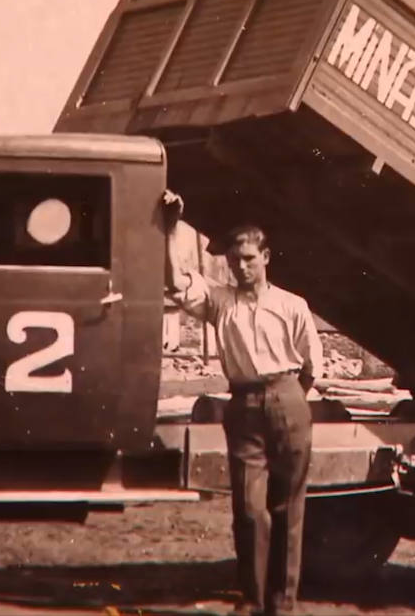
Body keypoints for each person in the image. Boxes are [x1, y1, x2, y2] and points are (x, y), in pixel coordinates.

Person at [162, 191, 320, 616]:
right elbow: (176, 282)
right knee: (249, 510)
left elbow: (311, 366)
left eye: (249, 258)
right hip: (244, 405)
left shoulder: (292, 305)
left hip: (288, 398)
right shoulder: (220, 302)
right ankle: (251, 600)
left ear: (266, 257)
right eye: (234, 261)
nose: (241, 267)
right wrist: (172, 228)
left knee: (288, 508)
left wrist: (287, 398)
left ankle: (282, 605)